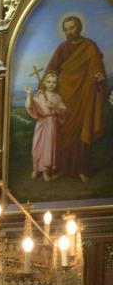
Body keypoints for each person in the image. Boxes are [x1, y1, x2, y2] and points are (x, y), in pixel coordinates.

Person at [44, 15, 108, 181]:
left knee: (81, 132)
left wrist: (98, 74)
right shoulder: (62, 48)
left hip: (84, 95)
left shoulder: (89, 46)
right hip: (65, 96)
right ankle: (62, 169)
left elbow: (96, 64)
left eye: (72, 28)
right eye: (66, 29)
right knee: (62, 132)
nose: (69, 31)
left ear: (79, 27)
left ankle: (81, 169)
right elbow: (52, 69)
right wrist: (42, 90)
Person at [27, 70, 65, 180]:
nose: (51, 84)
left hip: (52, 123)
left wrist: (53, 106)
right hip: (41, 122)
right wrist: (29, 94)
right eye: (49, 82)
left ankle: (45, 171)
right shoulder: (40, 95)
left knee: (48, 147)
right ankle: (35, 169)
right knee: (37, 145)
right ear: (44, 83)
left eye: (54, 82)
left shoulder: (57, 97)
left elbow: (64, 110)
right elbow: (30, 106)